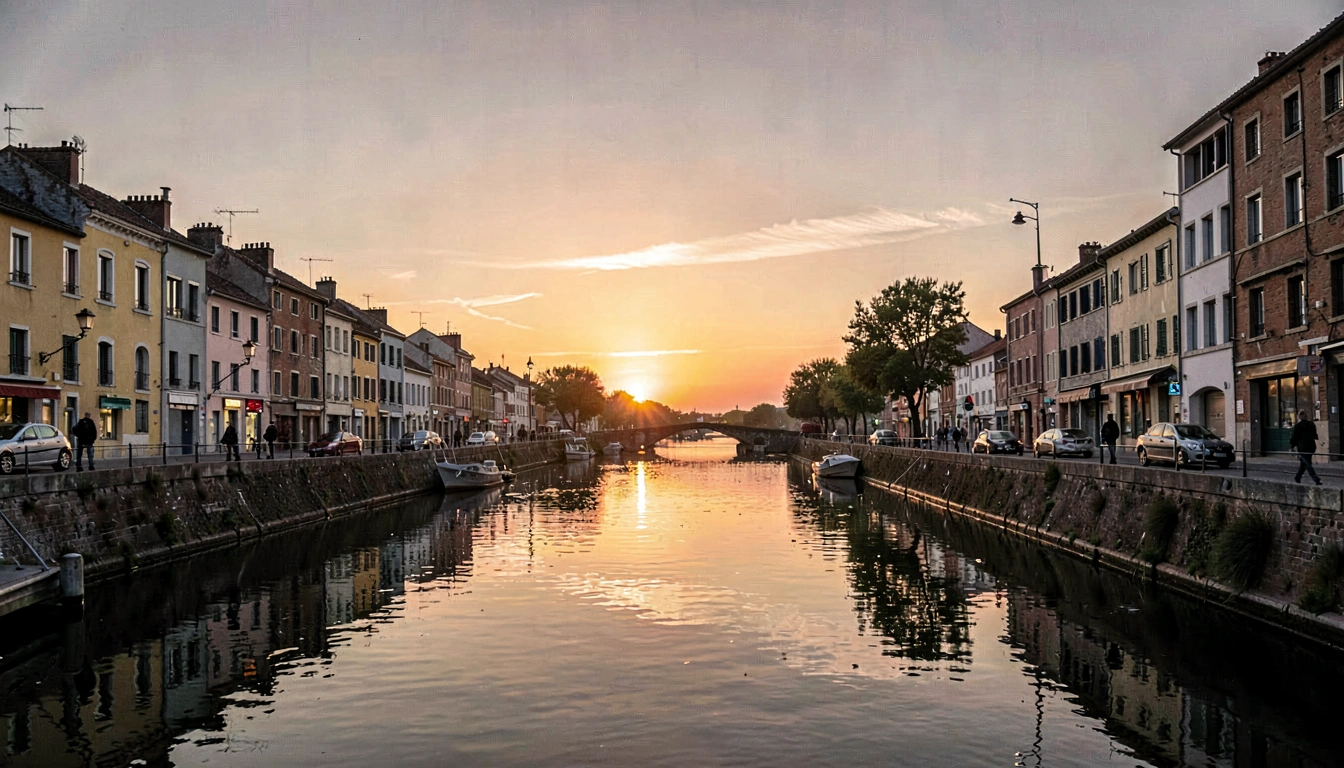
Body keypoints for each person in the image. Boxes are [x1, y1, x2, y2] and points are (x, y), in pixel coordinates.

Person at [1290, 411, 1322, 485]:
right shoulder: (1311, 424)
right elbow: (1315, 435)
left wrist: (1292, 446)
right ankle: (1298, 477)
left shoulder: (1298, 426)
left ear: (1299, 417)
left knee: (1307, 463)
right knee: (1304, 462)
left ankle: (1315, 478)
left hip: (1302, 447)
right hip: (1311, 446)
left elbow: (1295, 437)